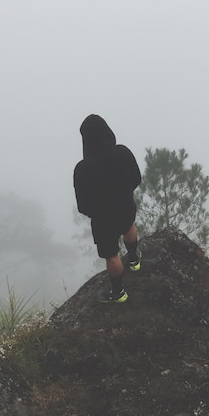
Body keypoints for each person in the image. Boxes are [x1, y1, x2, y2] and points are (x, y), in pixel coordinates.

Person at [73, 114, 142, 303]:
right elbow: (136, 178)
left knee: (112, 255)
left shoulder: (82, 169)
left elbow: (83, 205)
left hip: (103, 220)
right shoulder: (122, 152)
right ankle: (135, 260)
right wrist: (124, 195)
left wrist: (98, 212)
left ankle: (118, 293)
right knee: (129, 226)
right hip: (126, 206)